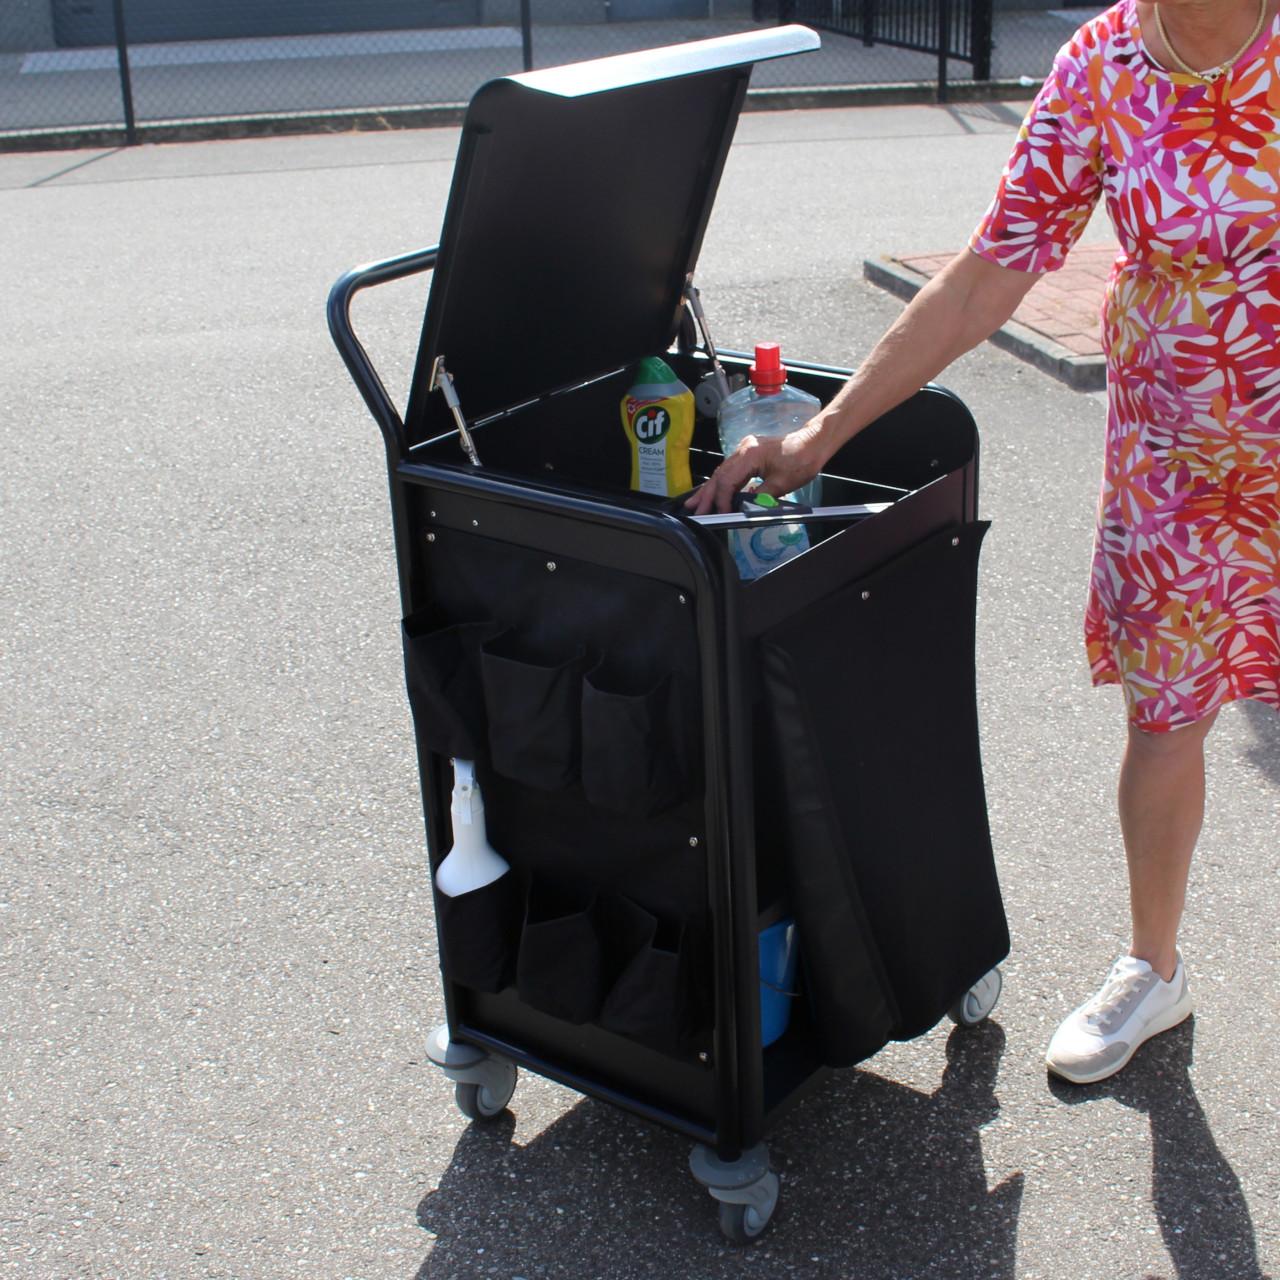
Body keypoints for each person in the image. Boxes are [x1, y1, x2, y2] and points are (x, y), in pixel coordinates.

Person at [689, 0, 1280, 1084]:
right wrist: (820, 434)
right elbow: (983, 276)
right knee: (1166, 721)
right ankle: (1153, 969)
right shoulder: (1104, 63)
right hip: (1177, 477)